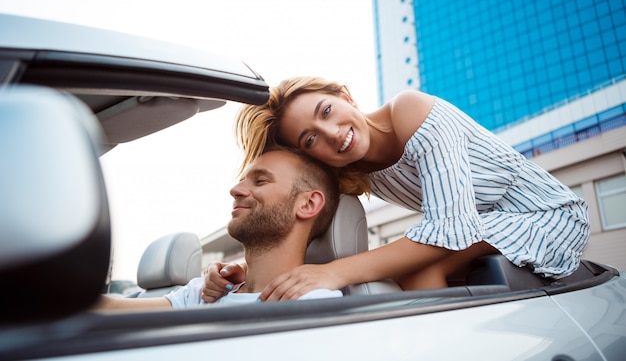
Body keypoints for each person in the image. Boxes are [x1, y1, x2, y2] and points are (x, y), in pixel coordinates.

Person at [202, 76, 590, 302]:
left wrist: (336, 273)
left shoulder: (411, 109)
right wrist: (246, 270)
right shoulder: (346, 165)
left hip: (546, 215)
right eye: (309, 140)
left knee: (425, 266)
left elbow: (448, 230)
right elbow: (295, 225)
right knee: (409, 269)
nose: (333, 134)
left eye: (326, 111)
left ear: (344, 96)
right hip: (480, 228)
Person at [93, 147, 342, 311]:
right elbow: (108, 311)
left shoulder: (313, 305)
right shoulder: (204, 292)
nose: (235, 189)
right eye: (243, 179)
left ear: (308, 204)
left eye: (261, 180)